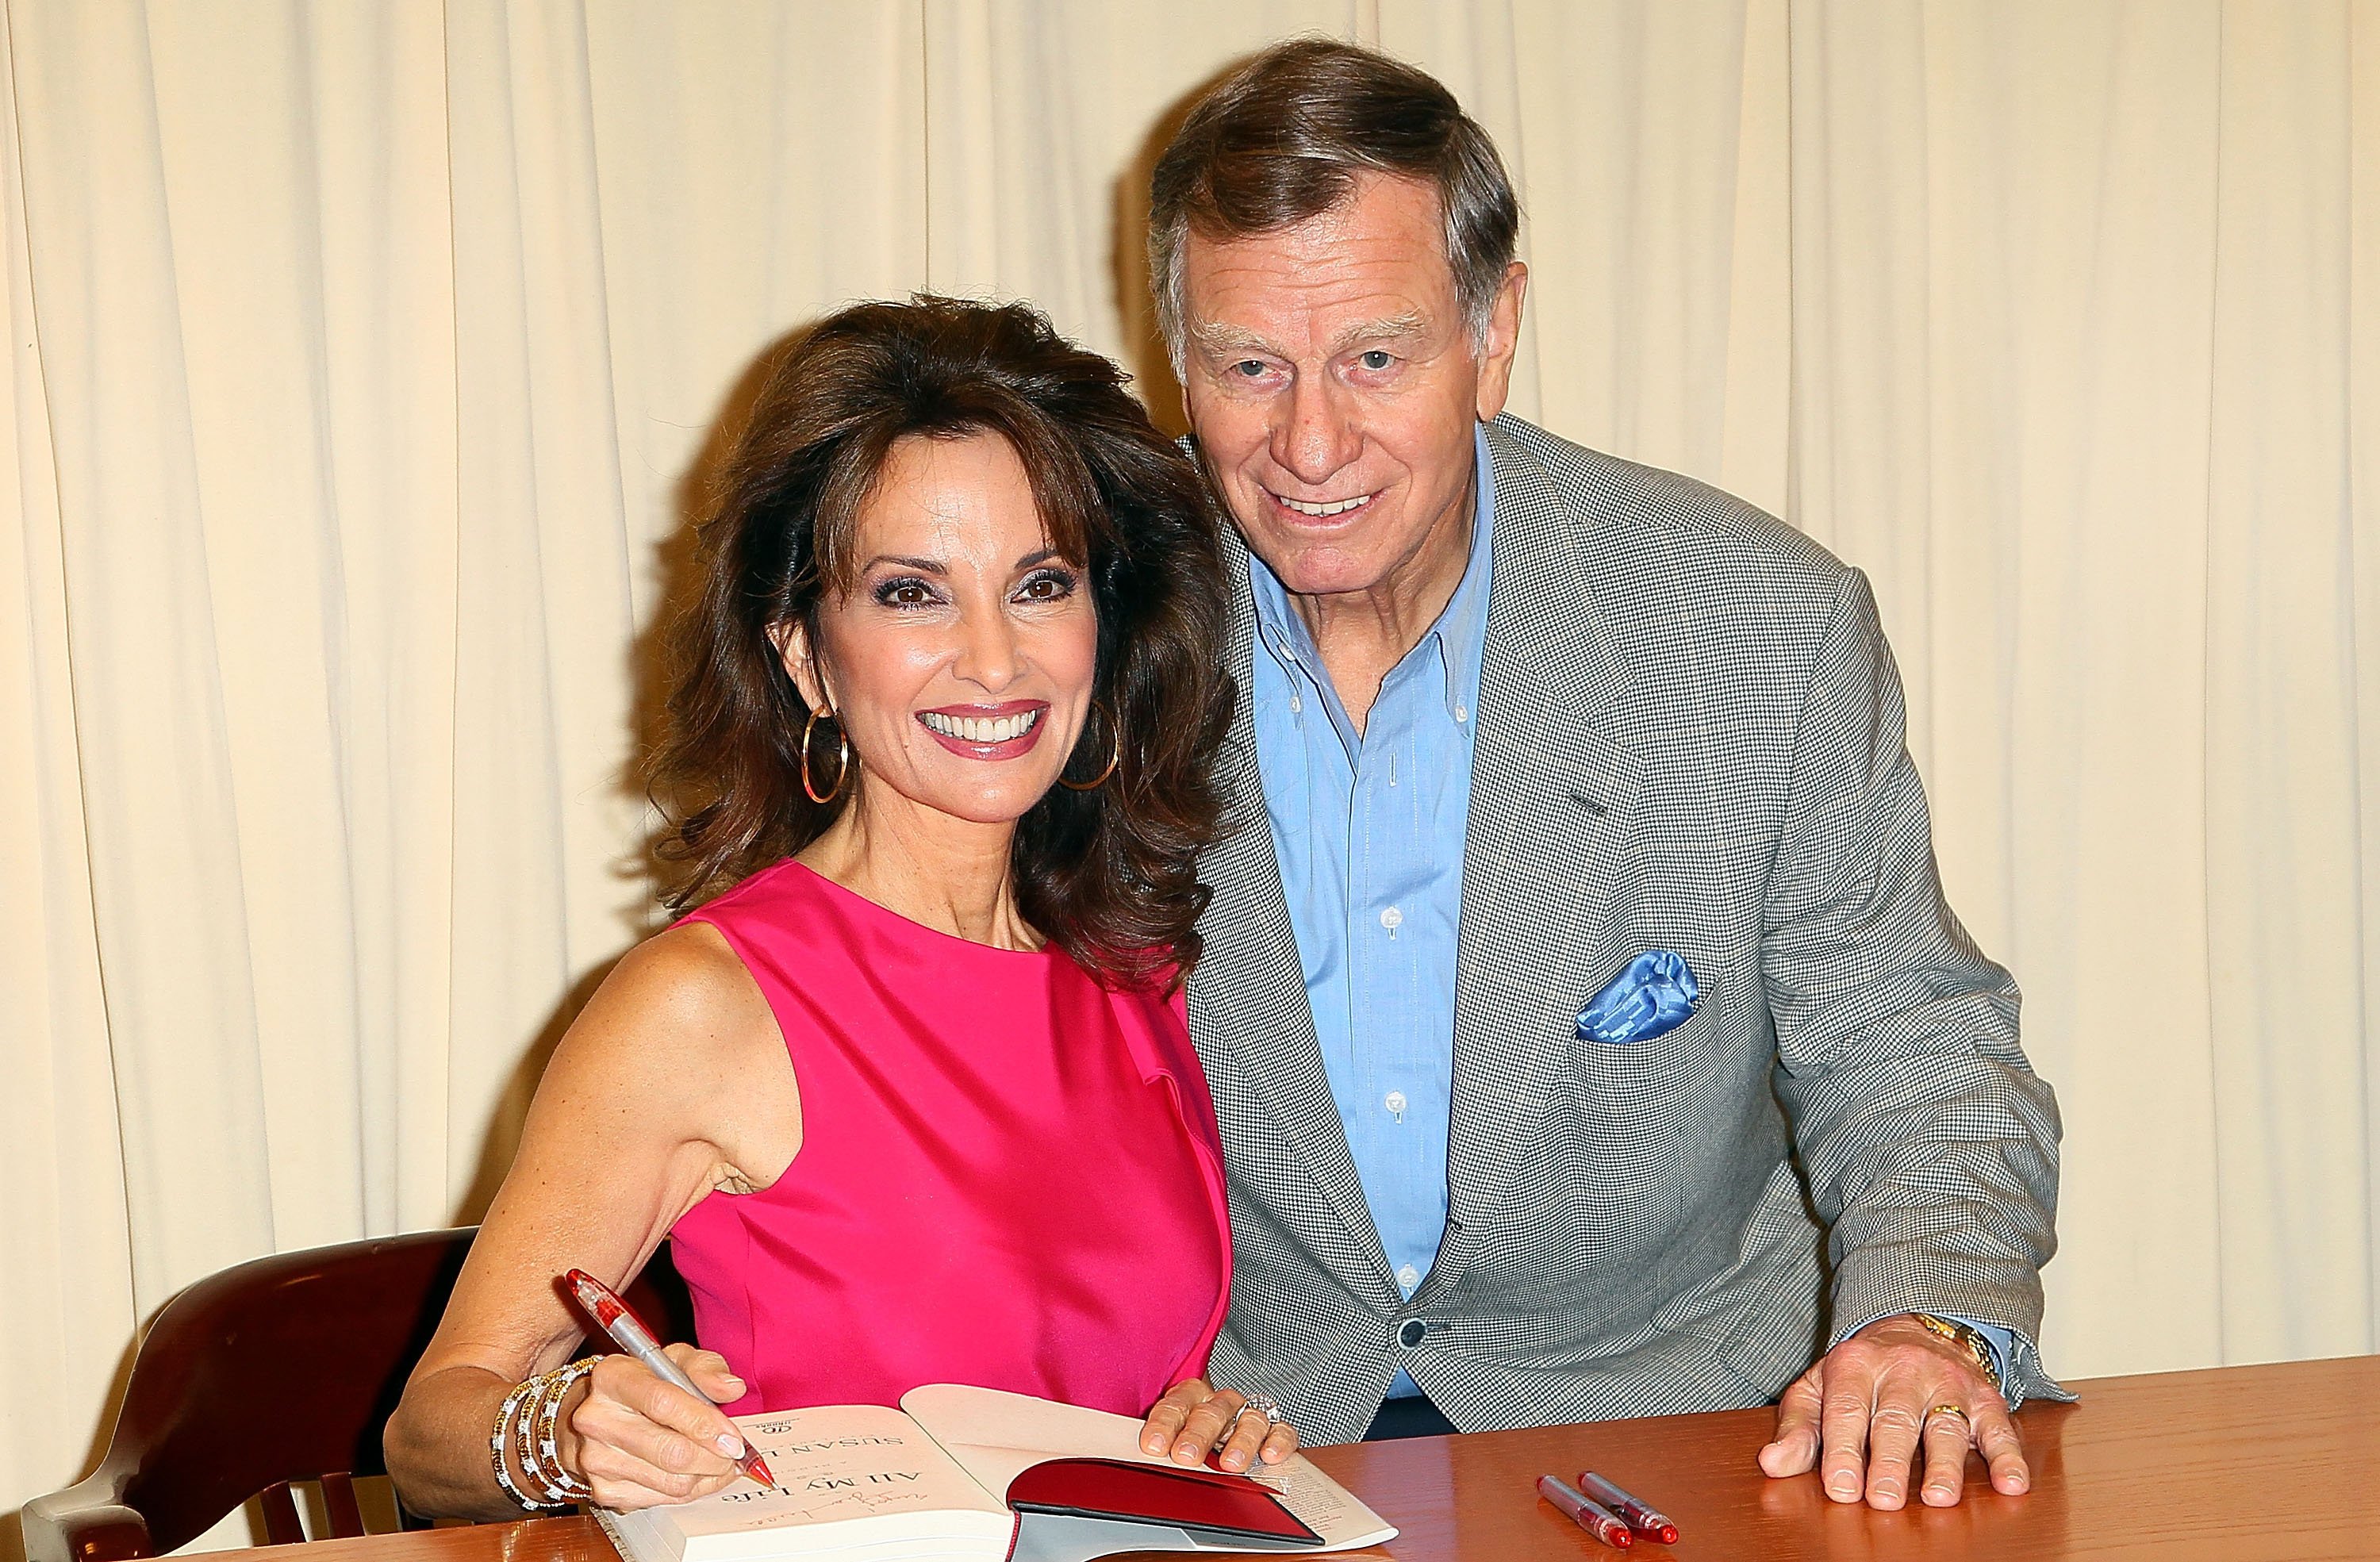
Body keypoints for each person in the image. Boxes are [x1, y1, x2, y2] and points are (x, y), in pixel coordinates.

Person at [1131, 40, 2066, 1513]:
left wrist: (1922, 1319)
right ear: (1175, 353)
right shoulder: (1085, 632)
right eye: (1250, 366)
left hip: (1683, 1428)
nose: (1308, 442)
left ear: (1496, 330)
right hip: (1237, 1440)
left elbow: (1910, 1038)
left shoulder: (1756, 627)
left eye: (1375, 357)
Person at [385, 297, 1297, 1518]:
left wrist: (1203, 1417)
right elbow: (429, 1427)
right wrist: (563, 1430)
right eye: (913, 593)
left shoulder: (1131, 971)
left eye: (1040, 583)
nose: (993, 658)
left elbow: (1121, 1369)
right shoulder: (703, 1003)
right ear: (807, 655)